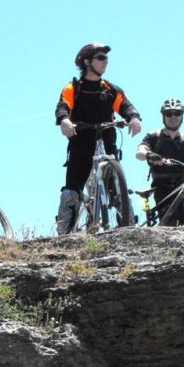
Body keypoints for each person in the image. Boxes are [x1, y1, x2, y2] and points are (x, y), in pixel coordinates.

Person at [54, 42, 142, 235]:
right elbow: (63, 107)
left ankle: (128, 229)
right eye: (100, 58)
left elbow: (125, 105)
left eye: (106, 58)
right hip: (81, 142)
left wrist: (134, 118)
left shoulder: (111, 89)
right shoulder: (73, 88)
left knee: (118, 189)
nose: (105, 62)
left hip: (107, 141)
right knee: (72, 191)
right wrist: (64, 120)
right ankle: (64, 234)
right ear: (87, 62)